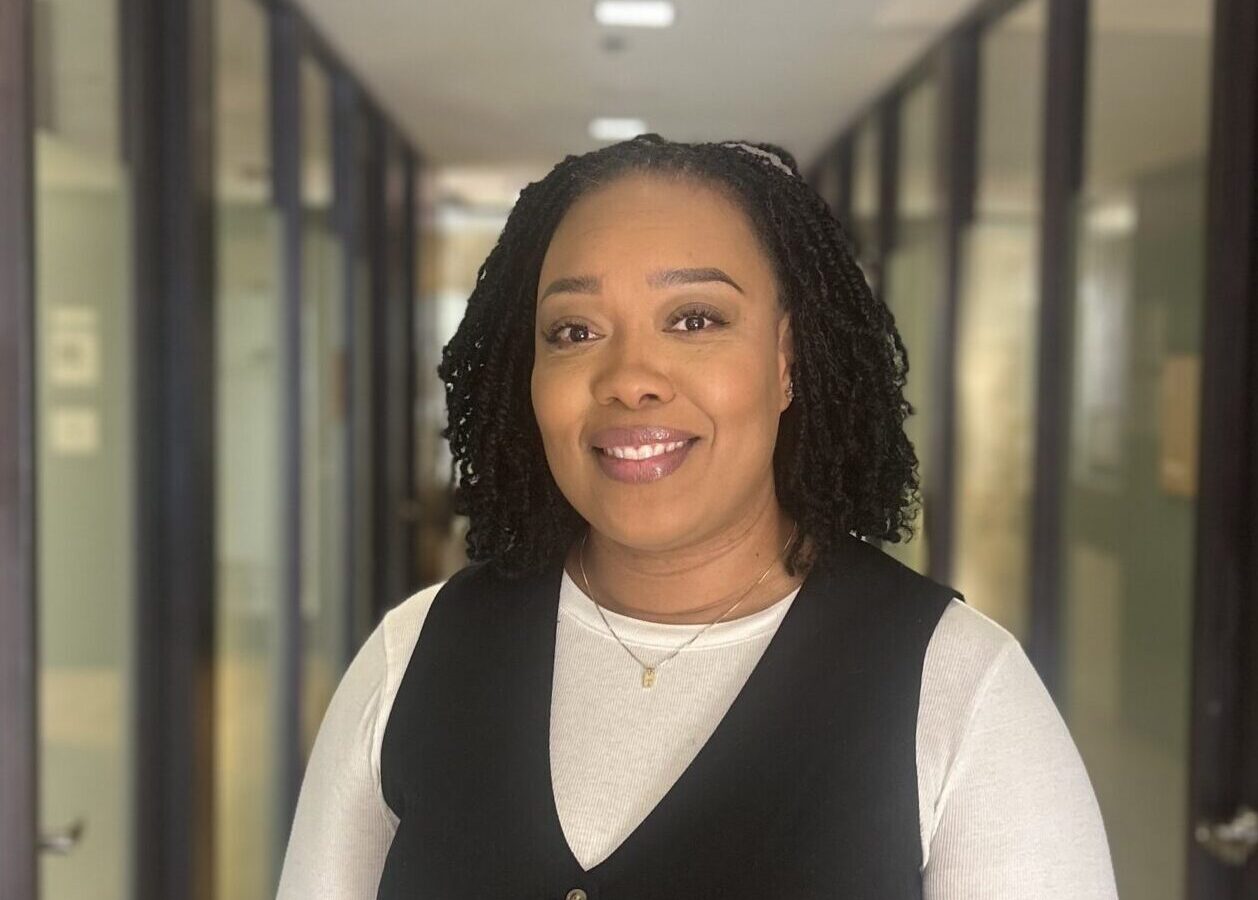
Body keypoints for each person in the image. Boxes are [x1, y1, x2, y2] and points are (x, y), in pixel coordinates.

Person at [277, 134, 1119, 899]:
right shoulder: (413, 658)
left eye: (694, 320)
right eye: (573, 330)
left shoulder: (959, 691)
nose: (629, 379)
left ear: (787, 360)